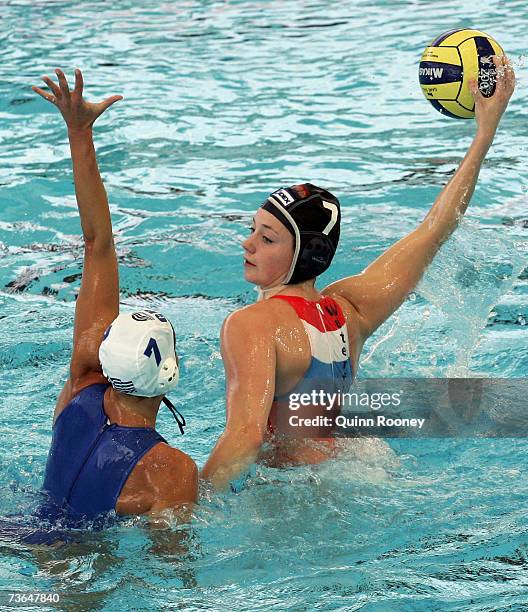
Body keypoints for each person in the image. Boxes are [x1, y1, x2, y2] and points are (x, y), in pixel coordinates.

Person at [201, 55, 516, 490]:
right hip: (364, 463)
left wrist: (189, 508)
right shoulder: (349, 310)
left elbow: (244, 439)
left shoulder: (251, 326)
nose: (247, 243)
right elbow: (433, 231)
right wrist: (485, 134)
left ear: (306, 253)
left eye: (268, 238)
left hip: (304, 491)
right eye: (252, 230)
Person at [32, 69, 197, 523]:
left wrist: (78, 131)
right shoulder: (171, 471)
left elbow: (96, 242)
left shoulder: (80, 383)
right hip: (76, 575)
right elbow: (173, 573)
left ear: (106, 355)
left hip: (21, 532)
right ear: (169, 374)